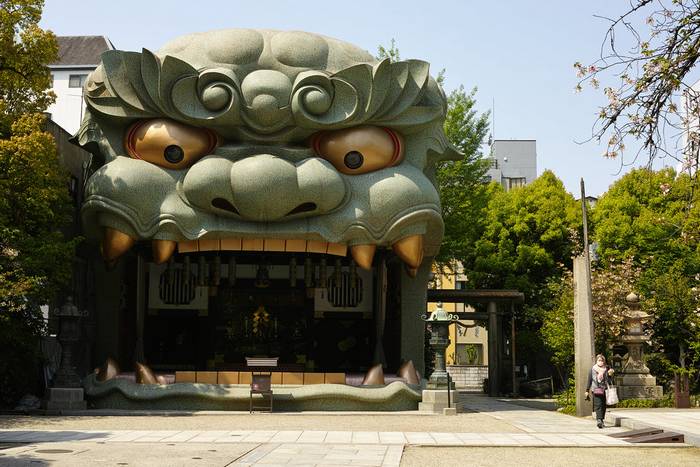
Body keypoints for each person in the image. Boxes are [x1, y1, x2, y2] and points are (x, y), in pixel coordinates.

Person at [585, 354, 615, 428]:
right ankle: (599, 420)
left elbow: (609, 380)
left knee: (603, 406)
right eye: (599, 360)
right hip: (596, 389)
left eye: (602, 360)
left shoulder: (607, 369)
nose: (600, 362)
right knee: (598, 405)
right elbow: (589, 380)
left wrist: (610, 374)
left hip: (604, 389)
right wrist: (587, 390)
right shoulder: (593, 369)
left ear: (604, 361)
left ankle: (601, 420)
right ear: (596, 361)